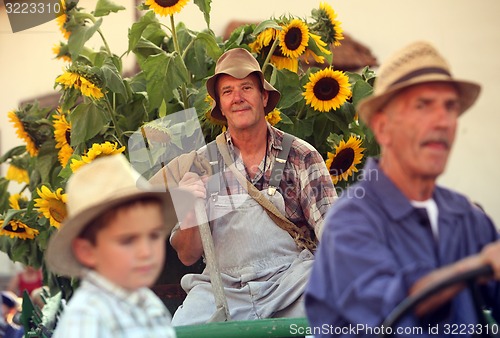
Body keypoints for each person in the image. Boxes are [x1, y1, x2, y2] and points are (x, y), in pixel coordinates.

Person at [305, 40, 500, 337]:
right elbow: (395, 311)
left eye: (450, 107)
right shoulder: (349, 224)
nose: (443, 121)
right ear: (382, 128)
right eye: (422, 106)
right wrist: (473, 267)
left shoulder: (466, 217)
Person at [156, 48, 336, 325]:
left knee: (322, 317)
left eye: (246, 88)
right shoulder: (200, 164)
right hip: (222, 287)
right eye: (227, 91)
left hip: (291, 281)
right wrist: (192, 210)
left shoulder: (301, 155)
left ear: (264, 97)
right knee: (184, 329)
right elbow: (188, 255)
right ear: (220, 105)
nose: (237, 98)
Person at [45, 154, 194, 338]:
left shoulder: (146, 302)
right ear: (87, 251)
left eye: (154, 236)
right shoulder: (88, 319)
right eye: (127, 240)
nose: (146, 251)